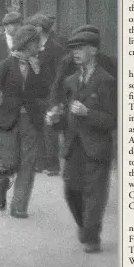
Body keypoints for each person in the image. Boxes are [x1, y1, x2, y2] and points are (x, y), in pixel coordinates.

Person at [46, 28, 116, 254]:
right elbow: (67, 115)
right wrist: (56, 118)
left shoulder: (106, 81)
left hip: (96, 147)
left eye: (80, 48)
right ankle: (84, 226)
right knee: (71, 190)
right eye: (73, 49)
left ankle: (92, 237)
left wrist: (89, 113)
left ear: (93, 50)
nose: (75, 53)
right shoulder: (71, 81)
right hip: (74, 145)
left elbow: (114, 119)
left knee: (94, 195)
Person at [0, 25, 49, 218]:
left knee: (28, 163)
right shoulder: (6, 65)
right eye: (36, 43)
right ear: (27, 44)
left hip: (31, 120)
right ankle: (0, 184)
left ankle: (19, 207)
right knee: (9, 162)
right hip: (8, 119)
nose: (40, 47)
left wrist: (38, 74)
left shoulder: (38, 65)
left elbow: (45, 92)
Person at [27, 13, 66, 175]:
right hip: (37, 92)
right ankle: (40, 162)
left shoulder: (56, 48)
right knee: (38, 127)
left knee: (50, 128)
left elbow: (60, 73)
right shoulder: (33, 47)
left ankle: (53, 165)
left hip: (51, 92)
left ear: (39, 28)